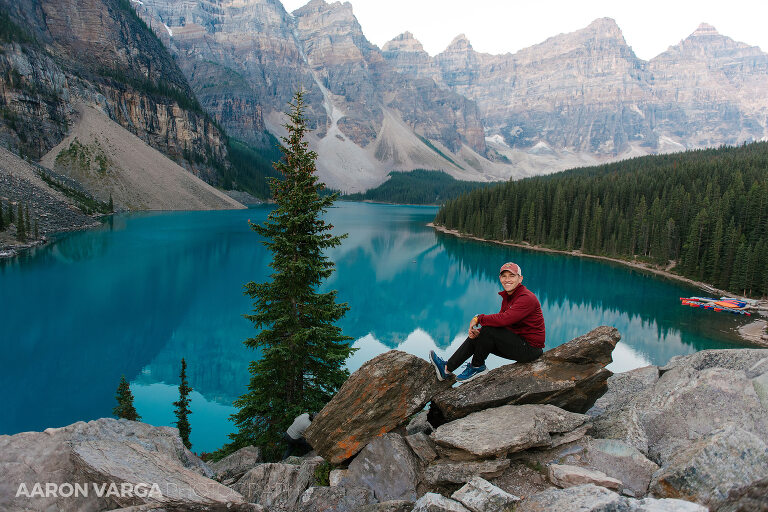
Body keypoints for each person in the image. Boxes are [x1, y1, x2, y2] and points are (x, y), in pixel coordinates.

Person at [430, 262, 545, 383]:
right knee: (481, 334)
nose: (507, 280)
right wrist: (478, 332)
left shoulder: (526, 298)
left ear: (520, 278)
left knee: (488, 329)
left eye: (512, 276)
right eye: (504, 276)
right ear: (500, 278)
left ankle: (477, 366)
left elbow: (505, 319)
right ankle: (447, 369)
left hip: (530, 349)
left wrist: (479, 318)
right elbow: (504, 324)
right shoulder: (509, 297)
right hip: (518, 342)